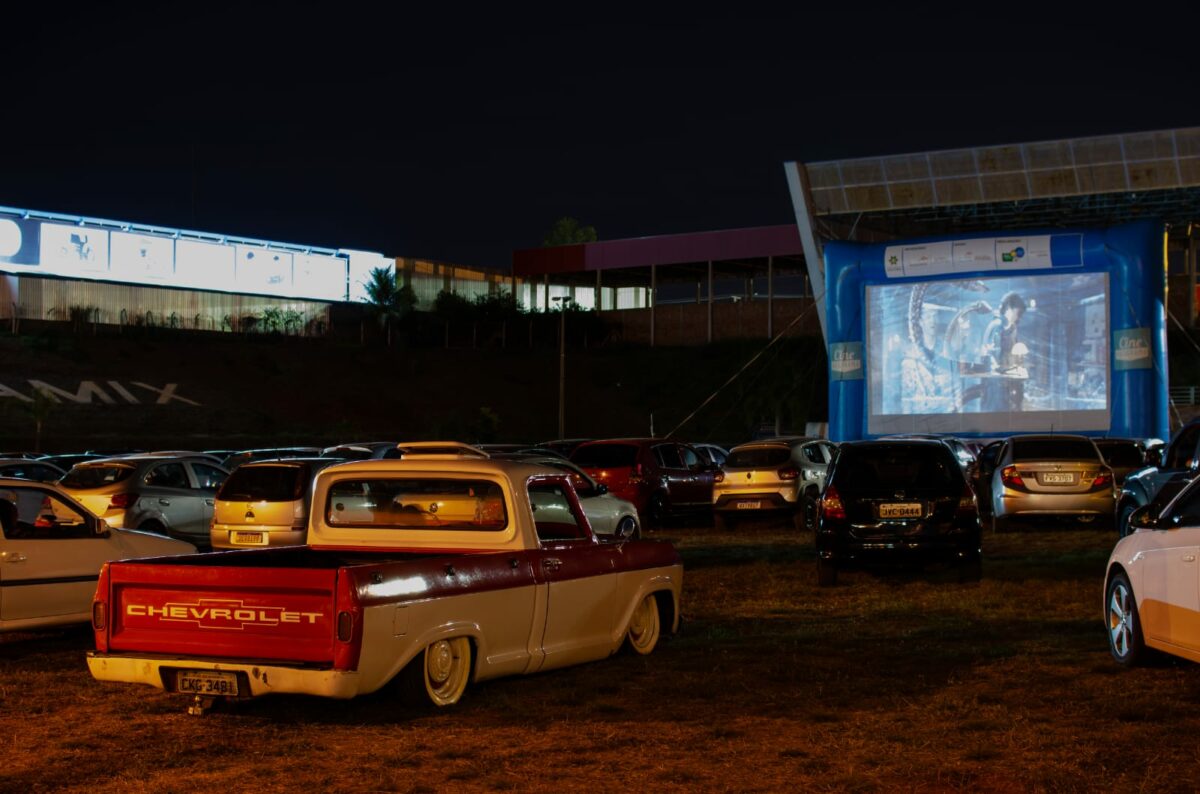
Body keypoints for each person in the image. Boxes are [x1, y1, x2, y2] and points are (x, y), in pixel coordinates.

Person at [979, 291, 1027, 412]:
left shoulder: (1011, 328)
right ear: (1009, 308)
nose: (1019, 317)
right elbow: (990, 356)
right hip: (994, 382)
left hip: (1005, 380)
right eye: (1018, 313)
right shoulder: (996, 326)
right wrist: (1004, 369)